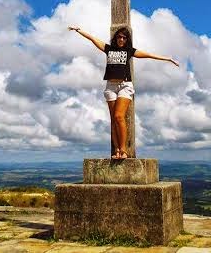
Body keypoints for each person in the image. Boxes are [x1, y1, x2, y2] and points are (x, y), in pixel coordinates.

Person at [68, 25, 179, 159]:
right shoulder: (108, 49)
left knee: (119, 116)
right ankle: (116, 151)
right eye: (119, 37)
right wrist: (78, 30)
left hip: (124, 85)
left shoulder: (129, 51)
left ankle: (123, 149)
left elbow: (149, 55)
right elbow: (92, 38)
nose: (121, 39)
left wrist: (167, 58)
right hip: (110, 86)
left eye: (124, 38)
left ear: (127, 40)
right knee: (113, 120)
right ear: (116, 38)